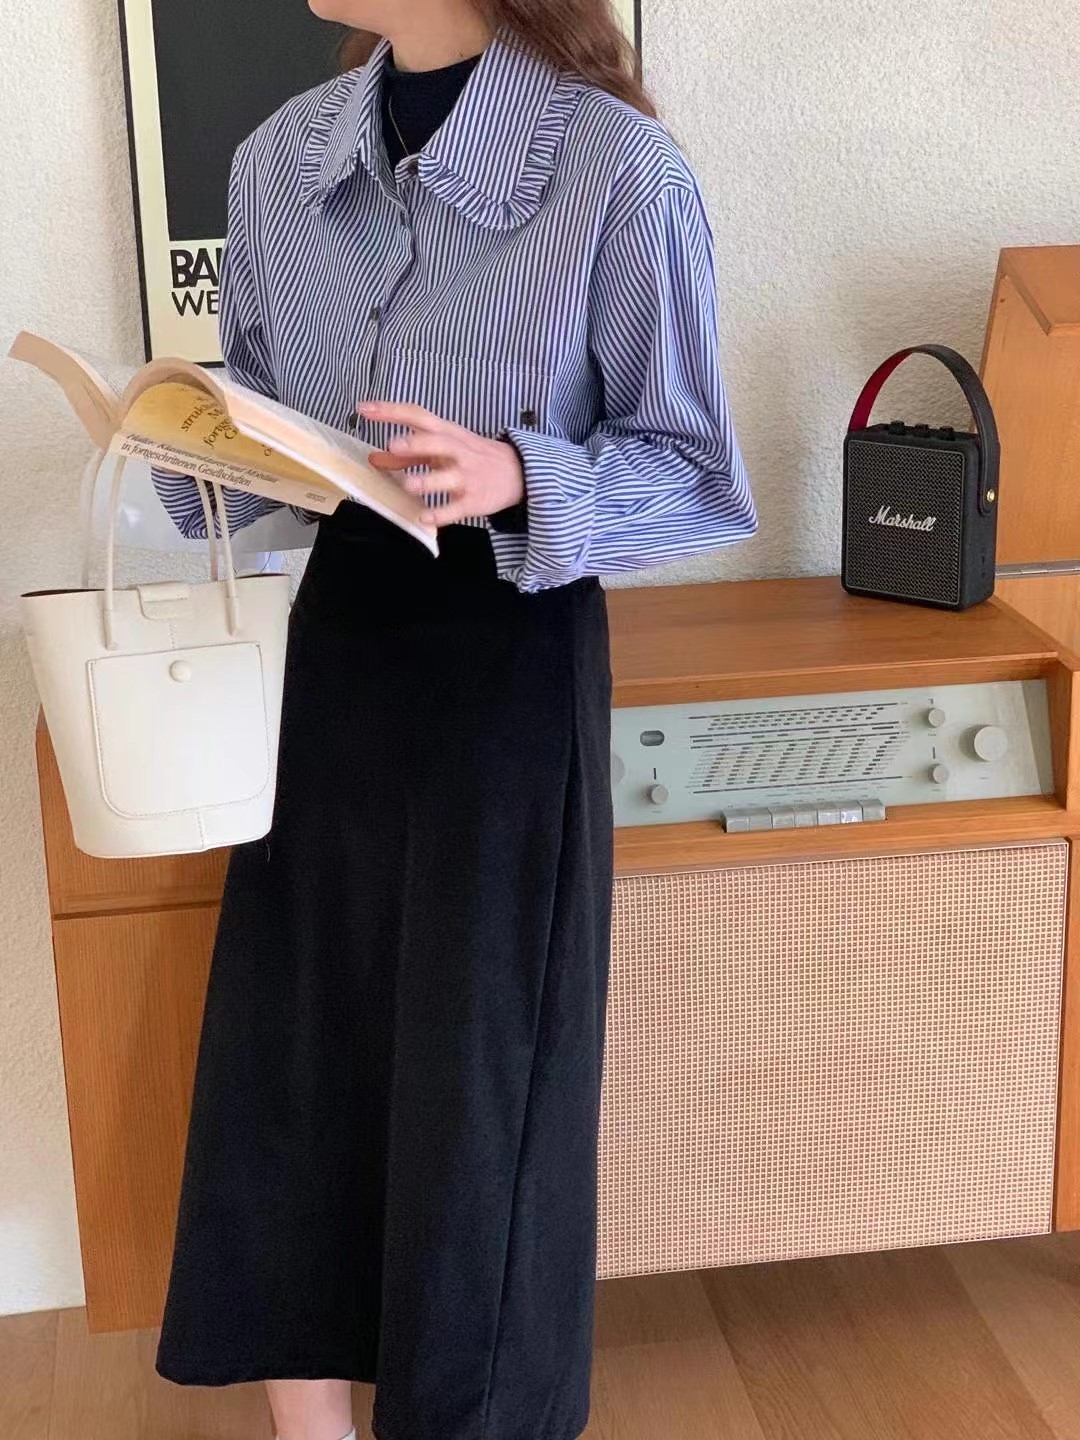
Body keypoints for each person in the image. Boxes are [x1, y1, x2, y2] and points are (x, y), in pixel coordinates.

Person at [151, 3, 758, 1439]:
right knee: (296, 1049)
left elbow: (700, 477)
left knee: (485, 1081)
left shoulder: (615, 170)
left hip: (510, 663)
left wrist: (518, 476)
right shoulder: (279, 161)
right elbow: (259, 431)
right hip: (337, 652)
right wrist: (184, 445)